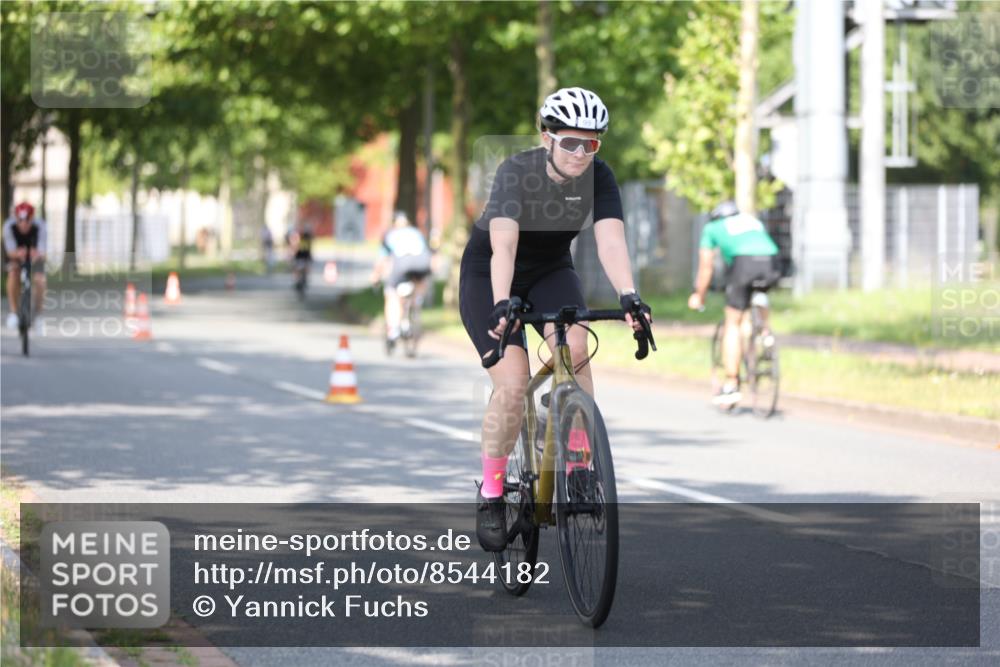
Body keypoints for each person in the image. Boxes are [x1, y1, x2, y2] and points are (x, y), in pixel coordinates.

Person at [459, 86, 651, 552]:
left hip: (549, 271)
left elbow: (610, 243)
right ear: (547, 139)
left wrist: (630, 296)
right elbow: (503, 244)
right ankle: (491, 493)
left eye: (591, 143)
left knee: (578, 347)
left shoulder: (599, 178)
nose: (581, 152)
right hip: (491, 274)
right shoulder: (516, 171)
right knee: (512, 383)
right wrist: (504, 304)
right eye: (570, 142)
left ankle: (581, 465)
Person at [688, 201, 780, 406]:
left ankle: (731, 384)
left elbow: (706, 268)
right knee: (757, 294)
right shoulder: (751, 220)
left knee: (732, 323)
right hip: (771, 261)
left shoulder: (712, 227)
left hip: (743, 264)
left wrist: (699, 296)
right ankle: (764, 332)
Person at [370, 211, 432, 352]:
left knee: (391, 293)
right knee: (418, 286)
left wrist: (375, 276)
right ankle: (416, 305)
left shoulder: (391, 234)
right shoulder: (417, 233)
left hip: (403, 264)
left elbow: (382, 259)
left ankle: (393, 331)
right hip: (422, 263)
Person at [4, 202, 48, 330]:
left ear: (32, 218)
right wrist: (19, 254)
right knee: (13, 273)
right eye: (20, 219)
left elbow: (43, 252)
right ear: (16, 218)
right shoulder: (9, 226)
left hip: (36, 256)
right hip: (16, 256)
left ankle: (39, 316)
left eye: (27, 219)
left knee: (40, 280)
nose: (23, 223)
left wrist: (35, 254)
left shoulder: (40, 226)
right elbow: (10, 251)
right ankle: (13, 313)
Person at [289, 220, 314, 288]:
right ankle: (297, 280)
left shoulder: (307, 235)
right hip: (298, 255)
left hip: (306, 255)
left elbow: (310, 245)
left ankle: (304, 279)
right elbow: (293, 246)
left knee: (306, 267)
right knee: (296, 268)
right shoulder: (296, 235)